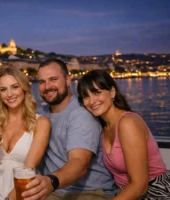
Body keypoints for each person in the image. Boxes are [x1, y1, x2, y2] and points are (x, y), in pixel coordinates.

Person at [23, 59, 116, 200]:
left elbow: (79, 163)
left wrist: (51, 181)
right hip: (54, 191)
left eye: (53, 79)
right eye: (42, 82)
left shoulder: (81, 114)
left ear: (68, 80)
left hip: (90, 192)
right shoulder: (41, 112)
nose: (47, 86)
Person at [77, 69, 170, 199]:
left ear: (112, 92)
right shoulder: (103, 128)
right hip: (125, 194)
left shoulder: (127, 123)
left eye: (97, 92)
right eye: (85, 96)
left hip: (155, 192)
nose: (91, 101)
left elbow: (140, 186)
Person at [0, 67, 50, 200]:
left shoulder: (41, 123)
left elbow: (28, 169)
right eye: (3, 89)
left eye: (15, 87)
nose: (9, 94)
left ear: (24, 88)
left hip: (23, 189)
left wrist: (10, 198)